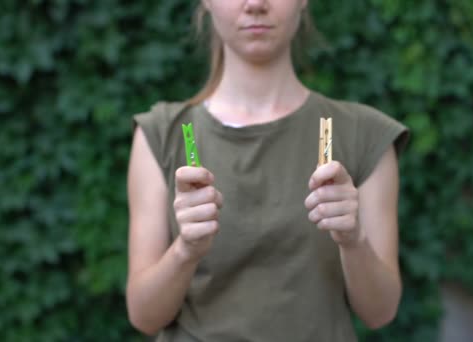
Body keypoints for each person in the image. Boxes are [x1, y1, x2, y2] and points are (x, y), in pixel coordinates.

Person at [126, 1, 409, 341]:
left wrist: (353, 239)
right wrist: (185, 251)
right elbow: (144, 316)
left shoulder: (364, 135)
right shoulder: (161, 135)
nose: (256, 4)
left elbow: (380, 312)